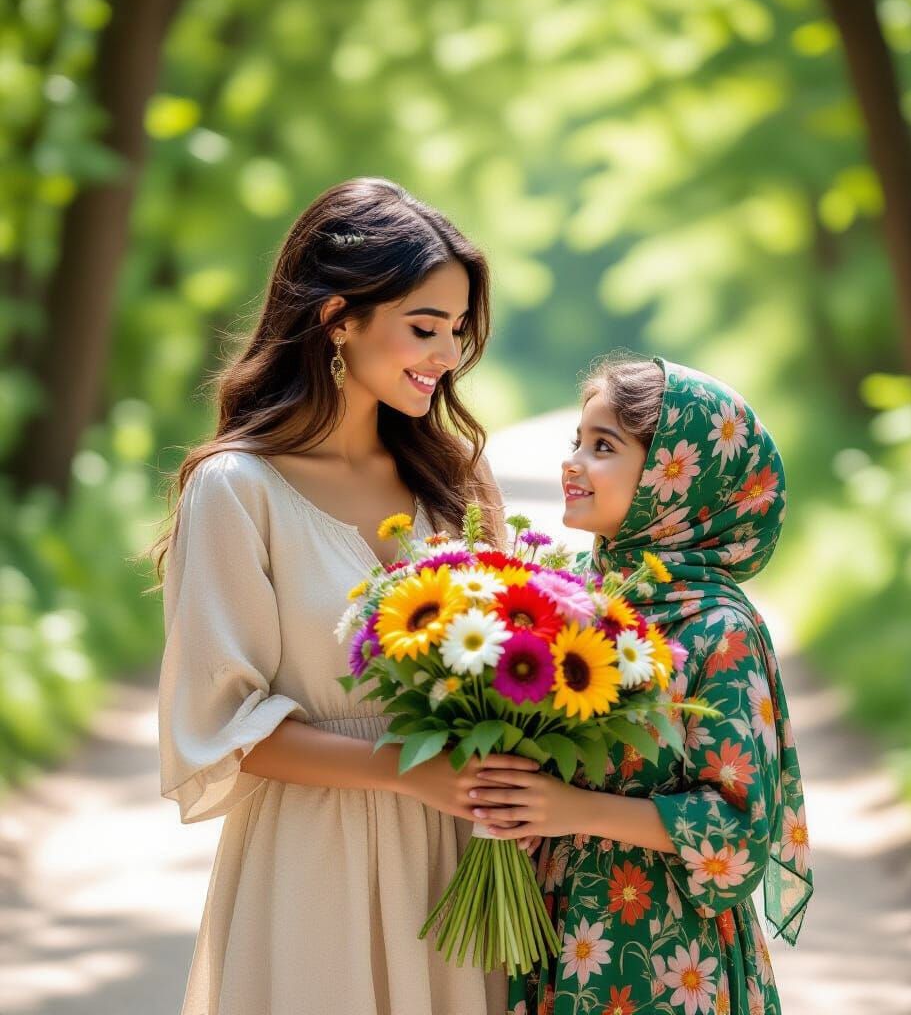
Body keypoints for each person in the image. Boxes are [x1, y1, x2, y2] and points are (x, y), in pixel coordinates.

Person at [152, 176, 534, 1015]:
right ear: (337, 319)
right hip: (312, 860)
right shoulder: (236, 489)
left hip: (457, 859)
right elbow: (228, 726)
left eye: (458, 331)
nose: (447, 355)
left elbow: (518, 667)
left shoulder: (457, 480)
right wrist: (414, 770)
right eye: (424, 327)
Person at [470, 356, 814, 1014]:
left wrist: (570, 809)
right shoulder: (564, 601)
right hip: (558, 931)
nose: (573, 462)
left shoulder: (718, 627)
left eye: (603, 447)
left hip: (669, 958)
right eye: (577, 440)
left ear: (671, 482)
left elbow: (739, 831)